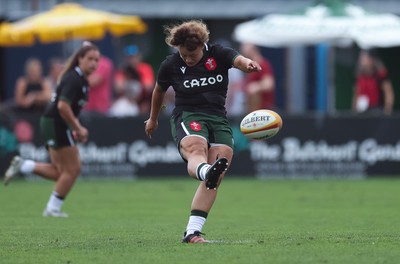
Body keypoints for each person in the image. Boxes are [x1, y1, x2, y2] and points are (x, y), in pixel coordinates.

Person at [144, 20, 262, 243]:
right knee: (196, 149)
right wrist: (152, 118)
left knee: (220, 167)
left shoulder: (218, 53)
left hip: (218, 118)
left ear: (202, 46)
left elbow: (238, 60)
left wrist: (248, 64)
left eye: (192, 55)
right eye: (183, 55)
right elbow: (158, 91)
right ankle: (206, 171)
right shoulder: (170, 64)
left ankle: (192, 233)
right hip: (188, 116)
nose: (187, 59)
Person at [3, 42, 100, 217]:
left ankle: (24, 165)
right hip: (57, 122)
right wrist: (77, 127)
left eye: (96, 60)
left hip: (53, 121)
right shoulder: (74, 78)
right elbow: (63, 106)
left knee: (61, 172)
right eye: (90, 59)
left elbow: (70, 107)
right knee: (73, 169)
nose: (94, 63)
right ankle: (52, 209)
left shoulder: (81, 80)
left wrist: (74, 126)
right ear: (80, 59)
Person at [114, 45, 155, 114]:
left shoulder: (145, 68)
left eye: (134, 56)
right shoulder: (123, 70)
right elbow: (118, 87)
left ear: (139, 56)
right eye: (130, 57)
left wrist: (136, 80)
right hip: (128, 102)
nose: (132, 59)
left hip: (144, 102)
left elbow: (148, 86)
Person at [352, 50, 394, 115]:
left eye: (364, 58)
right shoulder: (359, 76)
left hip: (378, 110)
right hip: (362, 110)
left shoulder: (380, 75)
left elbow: (388, 92)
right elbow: (356, 93)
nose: (362, 60)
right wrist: (354, 109)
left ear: (371, 60)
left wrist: (387, 109)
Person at [240, 43, 275, 112]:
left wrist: (256, 87)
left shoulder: (262, 64)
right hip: (254, 111)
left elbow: (269, 84)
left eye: (244, 46)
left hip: (263, 110)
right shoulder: (250, 66)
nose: (242, 49)